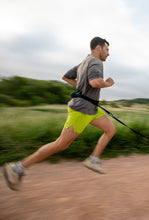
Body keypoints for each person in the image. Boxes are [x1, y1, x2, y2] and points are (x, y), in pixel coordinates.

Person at [3, 37, 116, 191]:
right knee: (60, 144)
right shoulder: (96, 62)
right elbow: (96, 82)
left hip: (92, 109)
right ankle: (16, 168)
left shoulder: (83, 63)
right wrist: (108, 83)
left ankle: (93, 159)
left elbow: (66, 77)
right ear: (98, 48)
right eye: (107, 49)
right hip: (82, 110)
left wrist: (81, 88)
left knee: (110, 129)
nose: (108, 53)